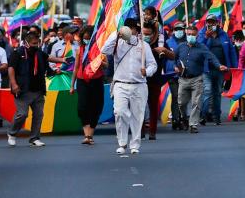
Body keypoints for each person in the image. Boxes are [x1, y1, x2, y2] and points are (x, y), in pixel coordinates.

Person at [101, 18, 158, 155]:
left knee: (138, 116)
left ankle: (135, 145)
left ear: (136, 31)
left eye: (131, 28)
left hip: (139, 85)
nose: (129, 30)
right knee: (120, 112)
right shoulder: (117, 43)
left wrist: (147, 71)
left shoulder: (144, 46)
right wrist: (116, 34)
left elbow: (153, 65)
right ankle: (122, 143)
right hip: (121, 84)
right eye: (127, 27)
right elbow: (104, 50)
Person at [7, 32, 65, 147]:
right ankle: (12, 133)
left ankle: (34, 138)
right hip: (23, 89)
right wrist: (13, 84)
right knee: (22, 114)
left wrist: (62, 61)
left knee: (39, 115)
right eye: (33, 43)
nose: (36, 45)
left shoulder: (39, 53)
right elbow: (11, 68)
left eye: (37, 43)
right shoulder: (17, 53)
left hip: (38, 89)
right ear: (26, 42)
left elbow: (49, 58)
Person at [175, 26, 227, 133]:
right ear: (186, 34)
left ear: (197, 35)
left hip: (197, 79)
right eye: (189, 34)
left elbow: (211, 57)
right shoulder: (180, 47)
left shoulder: (202, 47)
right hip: (183, 79)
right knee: (181, 103)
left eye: (193, 34)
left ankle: (193, 124)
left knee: (196, 102)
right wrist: (175, 66)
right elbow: (173, 58)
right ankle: (184, 118)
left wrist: (218, 66)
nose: (191, 36)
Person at [197, 14, 238, 125]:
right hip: (206, 69)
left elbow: (231, 52)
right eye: (208, 22)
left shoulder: (224, 35)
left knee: (217, 93)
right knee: (207, 91)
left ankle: (217, 116)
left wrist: (234, 68)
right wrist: (206, 37)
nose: (211, 24)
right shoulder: (202, 33)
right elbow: (198, 48)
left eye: (213, 22)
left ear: (217, 23)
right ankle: (203, 115)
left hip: (221, 69)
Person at [70, 25, 107, 145]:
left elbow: (107, 65)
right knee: (82, 107)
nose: (86, 40)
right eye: (84, 38)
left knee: (96, 107)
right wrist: (72, 85)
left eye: (88, 38)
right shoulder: (79, 49)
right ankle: (87, 135)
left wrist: (101, 62)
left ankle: (90, 134)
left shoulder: (100, 49)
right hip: (82, 80)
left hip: (96, 79)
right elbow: (76, 68)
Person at [142, 20, 173, 139]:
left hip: (155, 79)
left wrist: (164, 50)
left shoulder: (160, 42)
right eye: (144, 33)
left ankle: (152, 132)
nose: (146, 36)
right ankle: (139, 132)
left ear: (154, 33)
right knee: (139, 106)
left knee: (153, 106)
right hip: (140, 79)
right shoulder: (137, 43)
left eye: (148, 34)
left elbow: (172, 56)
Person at [165, 21, 187, 130]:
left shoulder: (189, 42)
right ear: (174, 30)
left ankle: (184, 118)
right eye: (177, 29)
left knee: (184, 98)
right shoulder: (168, 42)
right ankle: (175, 119)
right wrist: (173, 66)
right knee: (175, 96)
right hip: (173, 75)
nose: (179, 31)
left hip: (186, 75)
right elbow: (167, 58)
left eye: (181, 29)